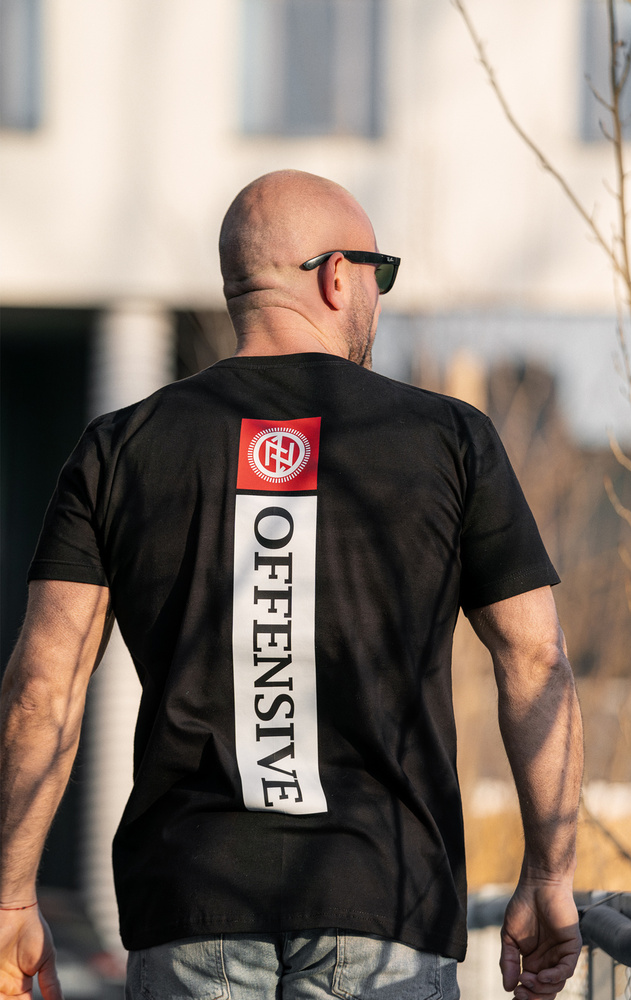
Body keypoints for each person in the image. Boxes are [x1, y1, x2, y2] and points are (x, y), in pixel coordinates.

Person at [0, 169, 583, 1000]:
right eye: (379, 274)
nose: (377, 297)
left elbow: (42, 688)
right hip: (385, 904)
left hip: (190, 905)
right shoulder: (448, 440)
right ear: (337, 276)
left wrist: (10, 897)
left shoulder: (120, 448)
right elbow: (536, 659)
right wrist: (550, 875)